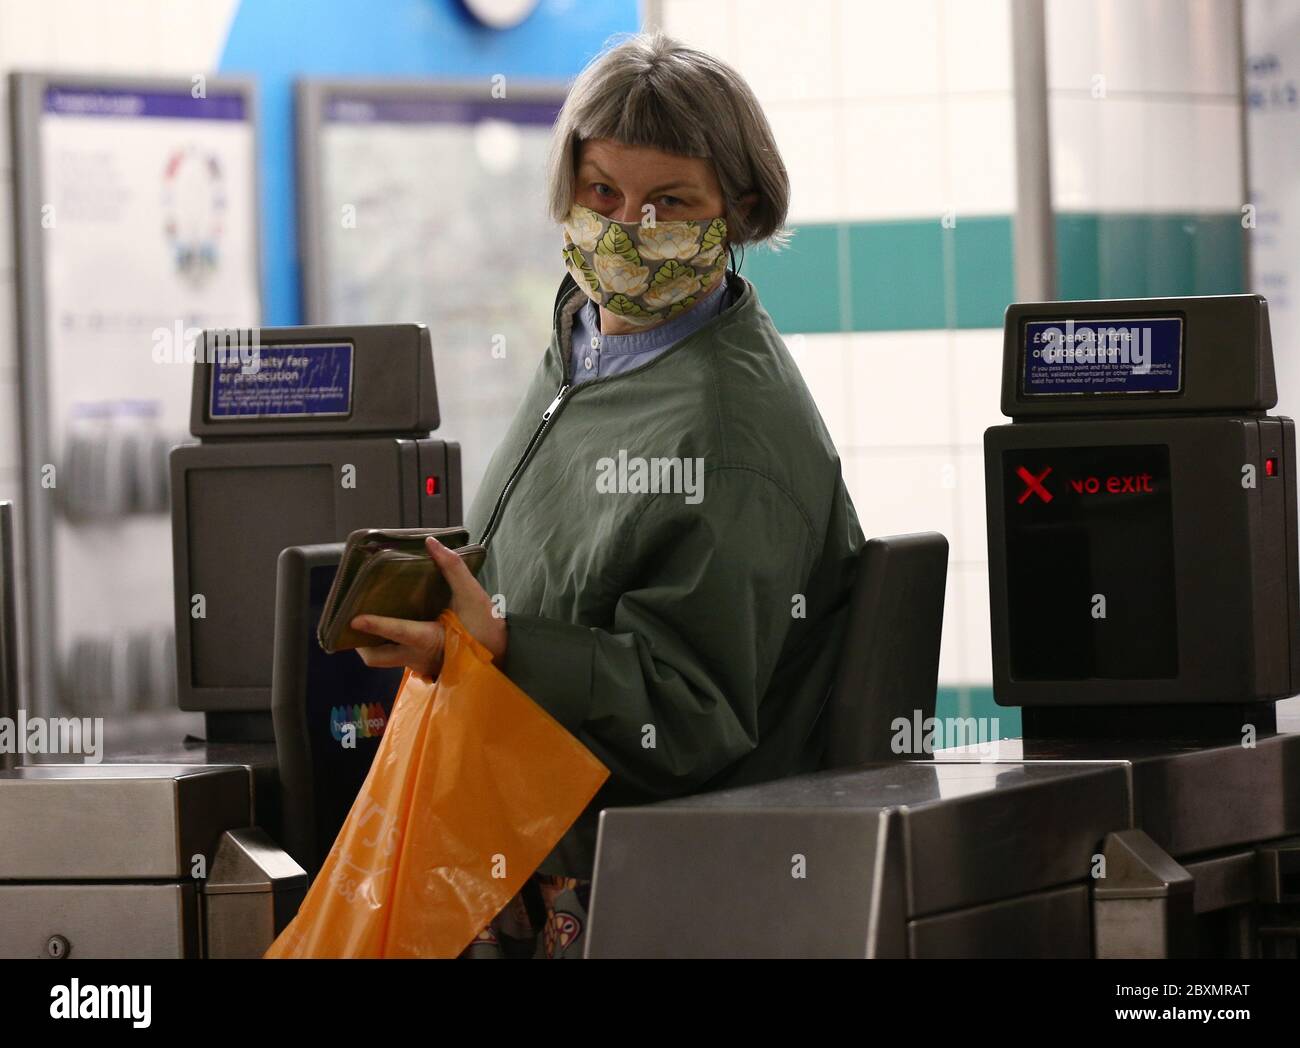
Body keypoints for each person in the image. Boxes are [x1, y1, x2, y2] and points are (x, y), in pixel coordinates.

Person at [351, 31, 864, 959]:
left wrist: (501, 646)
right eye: (603, 193)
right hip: (516, 824)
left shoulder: (727, 428)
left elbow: (690, 713)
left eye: (670, 202)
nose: (628, 227)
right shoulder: (586, 346)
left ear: (737, 212)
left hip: (640, 877)